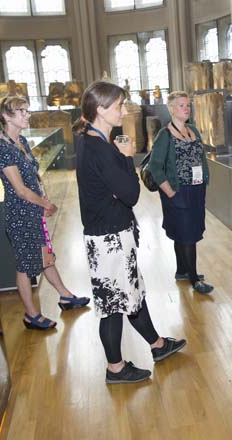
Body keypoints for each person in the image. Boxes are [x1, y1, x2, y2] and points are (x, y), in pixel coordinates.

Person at [74, 81, 186, 384]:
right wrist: (125, 157)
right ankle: (116, 368)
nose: (124, 111)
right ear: (100, 110)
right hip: (108, 237)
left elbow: (117, 193)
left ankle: (157, 345)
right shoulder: (101, 148)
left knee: (131, 295)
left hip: (108, 233)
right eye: (119, 106)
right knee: (113, 306)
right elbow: (131, 194)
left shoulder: (88, 138)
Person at [0, 96, 89, 331]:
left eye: (27, 110)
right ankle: (31, 314)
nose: (27, 115)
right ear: (6, 117)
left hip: (34, 210)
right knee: (25, 265)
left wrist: (43, 200)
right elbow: (21, 190)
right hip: (20, 215)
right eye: (21, 111)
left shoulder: (21, 141)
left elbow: (34, 177)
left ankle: (65, 296)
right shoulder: (2, 149)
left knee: (46, 256)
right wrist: (46, 204)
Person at [147, 91, 213, 294]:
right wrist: (170, 192)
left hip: (195, 190)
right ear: (171, 109)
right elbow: (155, 167)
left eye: (188, 105)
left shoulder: (193, 130)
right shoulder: (164, 135)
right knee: (188, 235)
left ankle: (182, 271)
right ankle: (194, 280)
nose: (186, 108)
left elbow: (200, 157)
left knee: (183, 233)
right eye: (182, 105)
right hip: (177, 192)